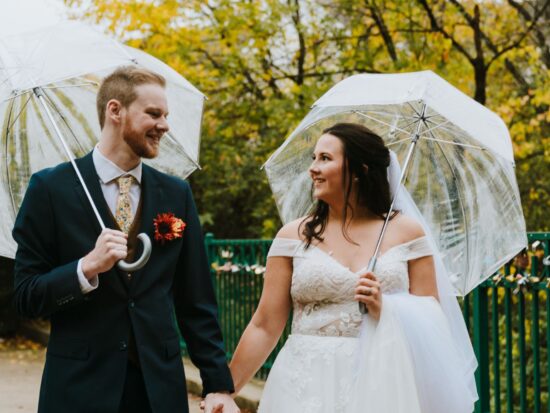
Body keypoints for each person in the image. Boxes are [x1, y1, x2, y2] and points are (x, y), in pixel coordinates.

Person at [12, 66, 239, 413]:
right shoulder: (49, 189)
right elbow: (26, 296)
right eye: (153, 113)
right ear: (115, 110)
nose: (164, 125)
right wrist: (86, 268)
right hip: (78, 390)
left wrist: (218, 385)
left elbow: (196, 302)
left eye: (165, 115)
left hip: (158, 392)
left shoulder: (176, 194)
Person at [228, 123, 478, 412]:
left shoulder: (407, 233)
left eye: (325, 158)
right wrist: (225, 391)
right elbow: (265, 324)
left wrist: (386, 306)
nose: (313, 168)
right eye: (314, 158)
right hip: (303, 383)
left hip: (380, 379)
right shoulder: (291, 236)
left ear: (359, 171)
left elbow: (434, 319)